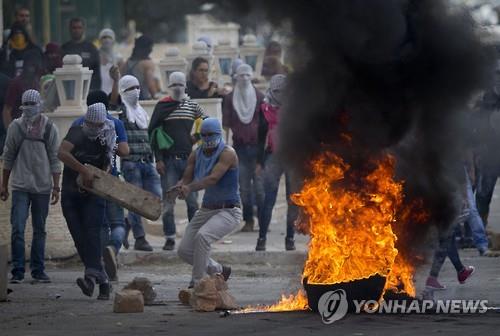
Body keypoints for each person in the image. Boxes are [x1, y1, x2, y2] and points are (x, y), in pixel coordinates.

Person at [1, 89, 60, 284]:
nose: (29, 109)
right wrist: (4, 185)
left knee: (40, 229)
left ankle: (38, 270)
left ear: (39, 106)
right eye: (25, 105)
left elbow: (54, 159)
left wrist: (56, 186)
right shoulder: (15, 128)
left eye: (32, 105)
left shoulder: (50, 128)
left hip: (42, 186)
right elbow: (8, 157)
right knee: (17, 227)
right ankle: (18, 270)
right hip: (20, 185)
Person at [58, 103, 115, 300]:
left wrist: (97, 176)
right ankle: (103, 280)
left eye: (98, 125)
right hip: (70, 194)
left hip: (94, 194)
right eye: (91, 124)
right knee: (79, 237)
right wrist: (83, 170)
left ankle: (91, 277)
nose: (95, 128)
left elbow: (109, 163)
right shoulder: (76, 132)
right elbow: (62, 153)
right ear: (86, 121)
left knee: (92, 233)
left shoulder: (107, 136)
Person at [176, 118, 242, 287]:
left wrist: (189, 188)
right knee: (184, 251)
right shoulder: (196, 153)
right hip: (206, 209)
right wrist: (180, 186)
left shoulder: (228, 153)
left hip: (228, 210)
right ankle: (218, 269)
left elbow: (212, 179)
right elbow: (187, 177)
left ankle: (197, 282)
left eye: (210, 134)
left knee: (203, 237)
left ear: (219, 134)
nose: (207, 138)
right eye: (203, 135)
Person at [72, 90, 129, 280]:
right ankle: (111, 249)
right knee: (118, 223)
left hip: (85, 182)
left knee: (99, 224)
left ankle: (100, 263)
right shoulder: (115, 123)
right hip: (109, 180)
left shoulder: (78, 123)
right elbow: (124, 151)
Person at [149, 72, 205, 250]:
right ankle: (170, 237)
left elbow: (207, 122)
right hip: (168, 161)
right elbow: (154, 133)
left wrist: (196, 136)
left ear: (185, 86)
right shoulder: (162, 106)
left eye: (181, 84)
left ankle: (193, 237)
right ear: (169, 86)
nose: (178, 88)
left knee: (192, 202)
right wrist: (158, 159)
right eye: (174, 85)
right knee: (168, 200)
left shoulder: (192, 106)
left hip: (190, 161)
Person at [112, 75, 160, 251]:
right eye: (131, 88)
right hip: (131, 164)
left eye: (138, 87)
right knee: (136, 201)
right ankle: (140, 238)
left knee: (156, 197)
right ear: (124, 90)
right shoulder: (122, 111)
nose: (136, 91)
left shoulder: (141, 112)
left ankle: (126, 224)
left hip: (147, 161)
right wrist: (115, 81)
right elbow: (114, 102)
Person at [256, 75, 298, 251]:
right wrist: (259, 162)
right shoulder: (264, 108)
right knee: (268, 199)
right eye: (277, 91)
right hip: (272, 156)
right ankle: (262, 238)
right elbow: (260, 138)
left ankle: (290, 238)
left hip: (292, 157)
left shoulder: (294, 108)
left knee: (293, 200)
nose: (280, 95)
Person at [222, 64, 265, 232]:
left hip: (257, 150)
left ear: (251, 77)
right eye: (241, 75)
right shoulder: (230, 99)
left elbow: (265, 127)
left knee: (260, 188)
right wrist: (224, 148)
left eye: (248, 75)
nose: (245, 78)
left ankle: (263, 220)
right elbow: (225, 126)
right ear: (236, 77)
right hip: (239, 149)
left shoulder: (260, 98)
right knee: (244, 188)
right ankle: (248, 221)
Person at [3, 49, 43, 129]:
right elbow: (7, 110)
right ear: (25, 65)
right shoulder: (16, 83)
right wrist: (11, 131)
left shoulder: (39, 81)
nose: (32, 68)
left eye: (35, 65)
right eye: (30, 65)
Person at [61, 18, 100, 90]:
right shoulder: (64, 48)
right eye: (74, 28)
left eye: (79, 27)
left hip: (88, 90)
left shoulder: (91, 48)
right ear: (69, 29)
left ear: (83, 29)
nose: (77, 30)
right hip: (69, 90)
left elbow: (96, 73)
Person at [121, 35, 157, 100]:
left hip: (126, 100)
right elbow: (150, 85)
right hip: (142, 99)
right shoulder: (147, 64)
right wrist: (155, 98)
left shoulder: (126, 63)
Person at [98, 28, 123, 95]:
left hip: (113, 91)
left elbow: (121, 77)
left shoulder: (119, 58)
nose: (106, 40)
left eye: (109, 37)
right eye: (104, 37)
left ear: (113, 40)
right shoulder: (95, 56)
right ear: (100, 40)